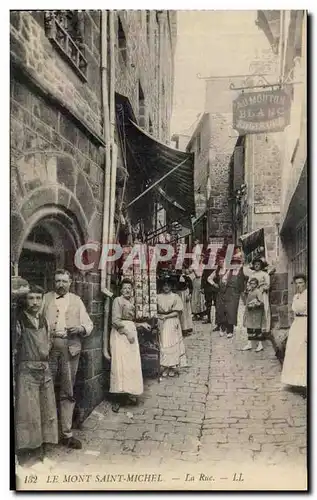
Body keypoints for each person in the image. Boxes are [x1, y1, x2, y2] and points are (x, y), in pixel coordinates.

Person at [43, 269, 93, 450]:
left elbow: (89, 325)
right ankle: (47, 434)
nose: (61, 284)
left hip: (70, 349)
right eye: (58, 281)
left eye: (64, 281)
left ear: (70, 282)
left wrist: (80, 328)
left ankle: (66, 433)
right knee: (46, 389)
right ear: (54, 282)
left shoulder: (77, 301)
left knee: (67, 391)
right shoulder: (45, 299)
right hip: (48, 350)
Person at [15, 285, 58, 464]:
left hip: (44, 370)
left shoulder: (44, 320)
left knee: (46, 409)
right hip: (27, 371)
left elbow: (48, 342)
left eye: (38, 298)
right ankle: (27, 453)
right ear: (25, 300)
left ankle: (43, 449)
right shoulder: (18, 321)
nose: (35, 302)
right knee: (28, 412)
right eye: (31, 298)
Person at [109, 279, 150, 412]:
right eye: (125, 288)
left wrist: (141, 324)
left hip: (130, 334)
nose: (127, 290)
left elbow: (130, 321)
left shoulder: (131, 302)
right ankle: (117, 398)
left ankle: (128, 393)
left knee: (130, 364)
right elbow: (115, 321)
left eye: (129, 288)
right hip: (121, 335)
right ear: (121, 290)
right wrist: (127, 333)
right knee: (120, 364)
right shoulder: (117, 301)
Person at [281, 274, 307, 396]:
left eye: (301, 283)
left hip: (306, 323)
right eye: (297, 283)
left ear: (305, 283)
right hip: (297, 324)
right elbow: (295, 310)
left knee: (303, 353)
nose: (299, 285)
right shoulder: (296, 296)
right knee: (293, 352)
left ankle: (305, 384)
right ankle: (295, 381)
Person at [157, 275, 187, 377]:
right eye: (164, 285)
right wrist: (159, 316)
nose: (166, 287)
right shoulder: (158, 296)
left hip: (172, 321)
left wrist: (166, 316)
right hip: (161, 322)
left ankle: (173, 367)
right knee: (164, 344)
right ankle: (165, 366)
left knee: (172, 344)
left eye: (168, 285)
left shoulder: (175, 297)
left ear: (171, 286)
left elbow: (177, 312)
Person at [208, 255, 244, 338]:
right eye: (233, 263)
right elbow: (223, 279)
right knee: (225, 310)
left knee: (232, 312)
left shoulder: (241, 270)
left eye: (237, 263)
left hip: (235, 294)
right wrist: (220, 284)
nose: (235, 265)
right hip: (227, 292)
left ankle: (230, 330)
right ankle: (223, 328)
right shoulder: (229, 271)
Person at [243, 257, 272, 347]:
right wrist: (250, 289)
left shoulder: (265, 274)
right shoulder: (252, 275)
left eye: (258, 265)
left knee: (264, 310)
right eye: (255, 265)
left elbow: (267, 285)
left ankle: (264, 330)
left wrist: (261, 288)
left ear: (261, 266)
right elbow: (248, 284)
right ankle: (254, 330)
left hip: (262, 294)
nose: (256, 266)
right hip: (253, 295)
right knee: (253, 311)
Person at [242, 277, 266, 352]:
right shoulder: (250, 291)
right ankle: (249, 344)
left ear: (257, 284)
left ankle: (260, 344)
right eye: (251, 283)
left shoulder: (258, 292)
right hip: (250, 313)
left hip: (256, 313)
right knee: (249, 328)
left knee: (257, 328)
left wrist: (254, 304)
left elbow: (261, 302)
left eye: (254, 284)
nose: (252, 285)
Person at [176, 267, 193, 337]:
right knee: (181, 311)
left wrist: (189, 294)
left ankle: (187, 327)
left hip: (185, 294)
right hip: (179, 293)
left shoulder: (187, 278)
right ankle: (182, 328)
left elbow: (191, 287)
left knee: (186, 311)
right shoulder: (176, 277)